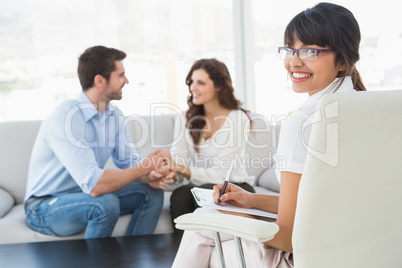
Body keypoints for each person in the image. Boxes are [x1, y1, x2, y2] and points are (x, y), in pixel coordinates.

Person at [172, 2, 366, 267]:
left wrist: (236, 218)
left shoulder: (302, 122)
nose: (294, 62)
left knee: (201, 228)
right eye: (290, 49)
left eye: (310, 51)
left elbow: (286, 237)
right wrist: (250, 201)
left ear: (343, 60)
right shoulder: (365, 109)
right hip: (356, 250)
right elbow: (315, 205)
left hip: (304, 256)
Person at [24, 46, 173, 239]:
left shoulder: (114, 116)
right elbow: (95, 186)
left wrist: (150, 175)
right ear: (100, 81)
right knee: (105, 203)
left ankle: (131, 259)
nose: (126, 81)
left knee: (151, 193)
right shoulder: (66, 117)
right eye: (121, 76)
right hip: (45, 207)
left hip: (85, 196)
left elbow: (129, 163)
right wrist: (144, 168)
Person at [166, 58, 256, 234]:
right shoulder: (185, 118)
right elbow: (178, 163)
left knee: (204, 193)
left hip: (235, 186)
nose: (193, 88)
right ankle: (184, 253)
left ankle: (212, 252)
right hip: (202, 186)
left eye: (201, 82)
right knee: (180, 194)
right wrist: (168, 172)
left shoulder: (238, 119)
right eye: (191, 82)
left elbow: (222, 174)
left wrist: (180, 168)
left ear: (219, 86)